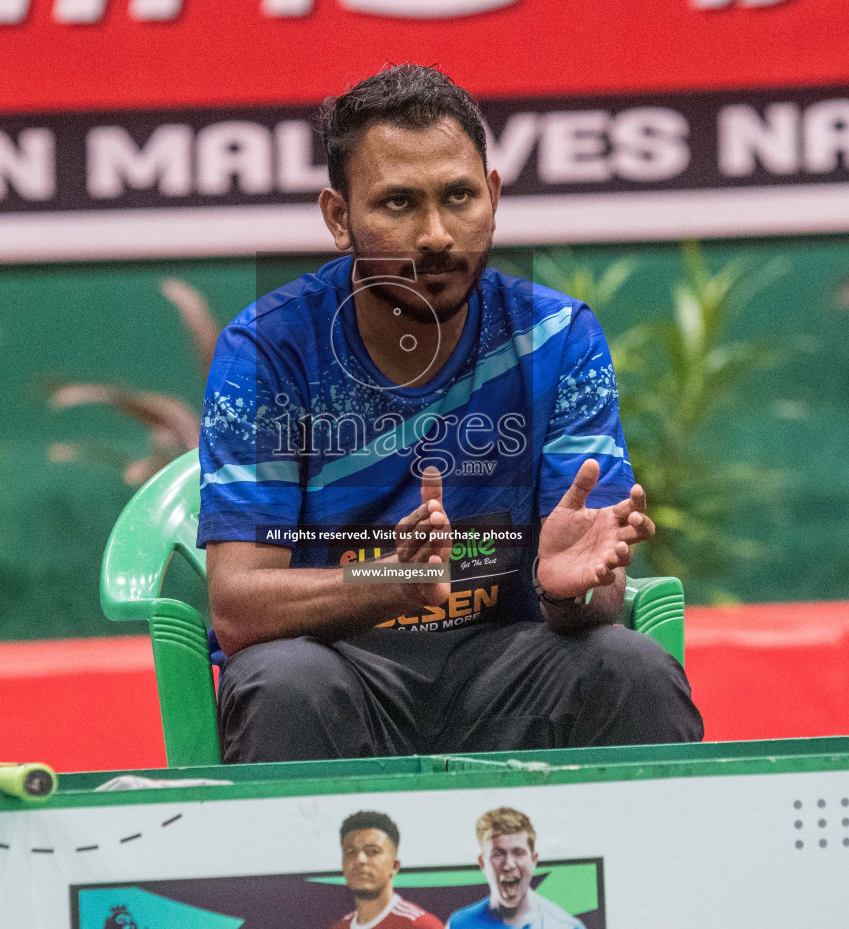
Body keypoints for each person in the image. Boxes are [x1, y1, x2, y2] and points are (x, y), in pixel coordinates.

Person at [200, 63, 702, 763]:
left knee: (631, 670)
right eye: (399, 204)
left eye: (459, 197)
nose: (436, 234)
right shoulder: (269, 348)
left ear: (493, 198)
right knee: (281, 682)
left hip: (510, 666)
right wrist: (390, 583)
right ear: (339, 218)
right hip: (338, 670)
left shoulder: (556, 338)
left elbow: (598, 594)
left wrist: (565, 592)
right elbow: (240, 605)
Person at [446, 808, 581, 929]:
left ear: (533, 861)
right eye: (498, 854)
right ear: (482, 863)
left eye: (518, 853)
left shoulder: (565, 926)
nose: (508, 864)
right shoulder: (459, 925)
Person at [333, 811, 444, 929]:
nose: (360, 860)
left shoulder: (420, 925)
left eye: (373, 851)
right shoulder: (339, 927)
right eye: (350, 852)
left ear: (394, 866)